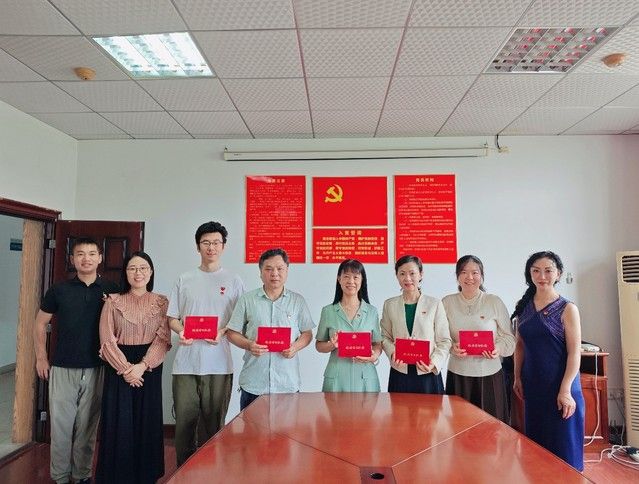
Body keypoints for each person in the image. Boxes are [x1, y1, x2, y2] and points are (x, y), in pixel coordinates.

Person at [33, 237, 119, 484]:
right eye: (80, 254)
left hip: (98, 367)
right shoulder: (59, 290)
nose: (86, 258)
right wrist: (41, 357)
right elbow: (40, 323)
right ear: (72, 259)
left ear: (100, 258)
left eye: (92, 253)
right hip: (62, 366)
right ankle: (60, 476)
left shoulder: (112, 289)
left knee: (88, 426)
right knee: (61, 426)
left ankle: (81, 475)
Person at [168, 221, 245, 466]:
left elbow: (240, 320)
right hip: (186, 364)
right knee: (184, 426)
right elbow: (172, 318)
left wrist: (222, 331)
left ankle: (212, 473)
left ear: (224, 246)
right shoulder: (185, 279)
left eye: (216, 242)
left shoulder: (234, 280)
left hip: (219, 364)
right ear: (197, 246)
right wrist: (182, 331)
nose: (211, 247)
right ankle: (183, 473)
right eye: (206, 242)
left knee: (214, 427)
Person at [96, 251, 170, 483]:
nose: (138, 273)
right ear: (125, 273)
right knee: (119, 420)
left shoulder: (162, 302)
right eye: (132, 268)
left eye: (143, 268)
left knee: (147, 419)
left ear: (151, 272)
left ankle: (146, 475)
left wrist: (143, 366)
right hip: (118, 366)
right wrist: (126, 368)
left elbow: (163, 339)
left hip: (149, 366)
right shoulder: (112, 301)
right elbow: (106, 340)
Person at [512, 251, 584, 471]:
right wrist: (517, 377)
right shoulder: (524, 305)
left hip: (562, 386)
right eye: (536, 271)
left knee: (564, 451)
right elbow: (520, 345)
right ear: (529, 274)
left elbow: (575, 353)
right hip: (534, 386)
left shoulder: (567, 308)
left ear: (558, 274)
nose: (542, 276)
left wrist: (565, 390)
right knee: (537, 451)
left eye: (548, 270)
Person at [227, 248, 315, 410]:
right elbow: (232, 333)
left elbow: (307, 333)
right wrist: (249, 345)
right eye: (268, 269)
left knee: (287, 427)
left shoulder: (297, 301)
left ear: (287, 271)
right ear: (260, 272)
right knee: (251, 427)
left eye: (280, 268)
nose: (274, 273)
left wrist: (295, 347)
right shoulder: (247, 300)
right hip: (254, 383)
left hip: (286, 383)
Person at [442, 255, 515, 422]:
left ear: (482, 276)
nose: (469, 277)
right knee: (459, 425)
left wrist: (497, 348)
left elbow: (509, 339)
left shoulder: (494, 301)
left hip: (489, 374)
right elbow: (440, 338)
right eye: (464, 272)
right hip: (458, 374)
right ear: (457, 276)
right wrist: (452, 347)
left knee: (491, 427)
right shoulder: (447, 302)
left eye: (475, 272)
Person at [381, 255, 451, 393]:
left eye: (412, 273)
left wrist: (434, 362)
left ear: (421, 274)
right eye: (402, 274)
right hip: (400, 372)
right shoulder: (390, 304)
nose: (407, 278)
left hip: (427, 372)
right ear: (397, 276)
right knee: (398, 408)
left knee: (430, 408)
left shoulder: (434, 304)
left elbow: (445, 341)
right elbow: (384, 336)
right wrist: (392, 352)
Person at [315, 259, 382, 392]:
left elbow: (377, 344)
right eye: (346, 276)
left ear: (362, 280)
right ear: (339, 279)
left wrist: (374, 356)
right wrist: (332, 345)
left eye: (355, 277)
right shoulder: (328, 311)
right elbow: (319, 345)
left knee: (368, 407)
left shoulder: (372, 311)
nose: (351, 281)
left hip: (365, 377)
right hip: (337, 377)